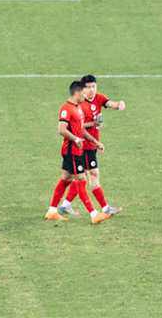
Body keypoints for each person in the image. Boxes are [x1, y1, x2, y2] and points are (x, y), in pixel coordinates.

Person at [71, 75, 124, 219]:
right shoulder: (80, 104)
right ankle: (105, 208)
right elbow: (78, 126)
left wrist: (119, 104)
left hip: (92, 144)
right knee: (92, 174)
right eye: (88, 87)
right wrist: (93, 125)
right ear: (83, 89)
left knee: (79, 176)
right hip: (84, 145)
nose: (91, 90)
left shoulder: (99, 98)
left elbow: (110, 104)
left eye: (93, 86)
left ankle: (66, 204)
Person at [48, 82, 100, 222]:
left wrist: (95, 142)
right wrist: (76, 139)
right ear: (77, 93)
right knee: (81, 180)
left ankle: (52, 211)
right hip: (71, 151)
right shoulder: (66, 108)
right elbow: (61, 129)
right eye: (83, 93)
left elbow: (81, 129)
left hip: (77, 150)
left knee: (66, 179)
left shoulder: (78, 108)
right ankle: (94, 214)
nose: (85, 95)